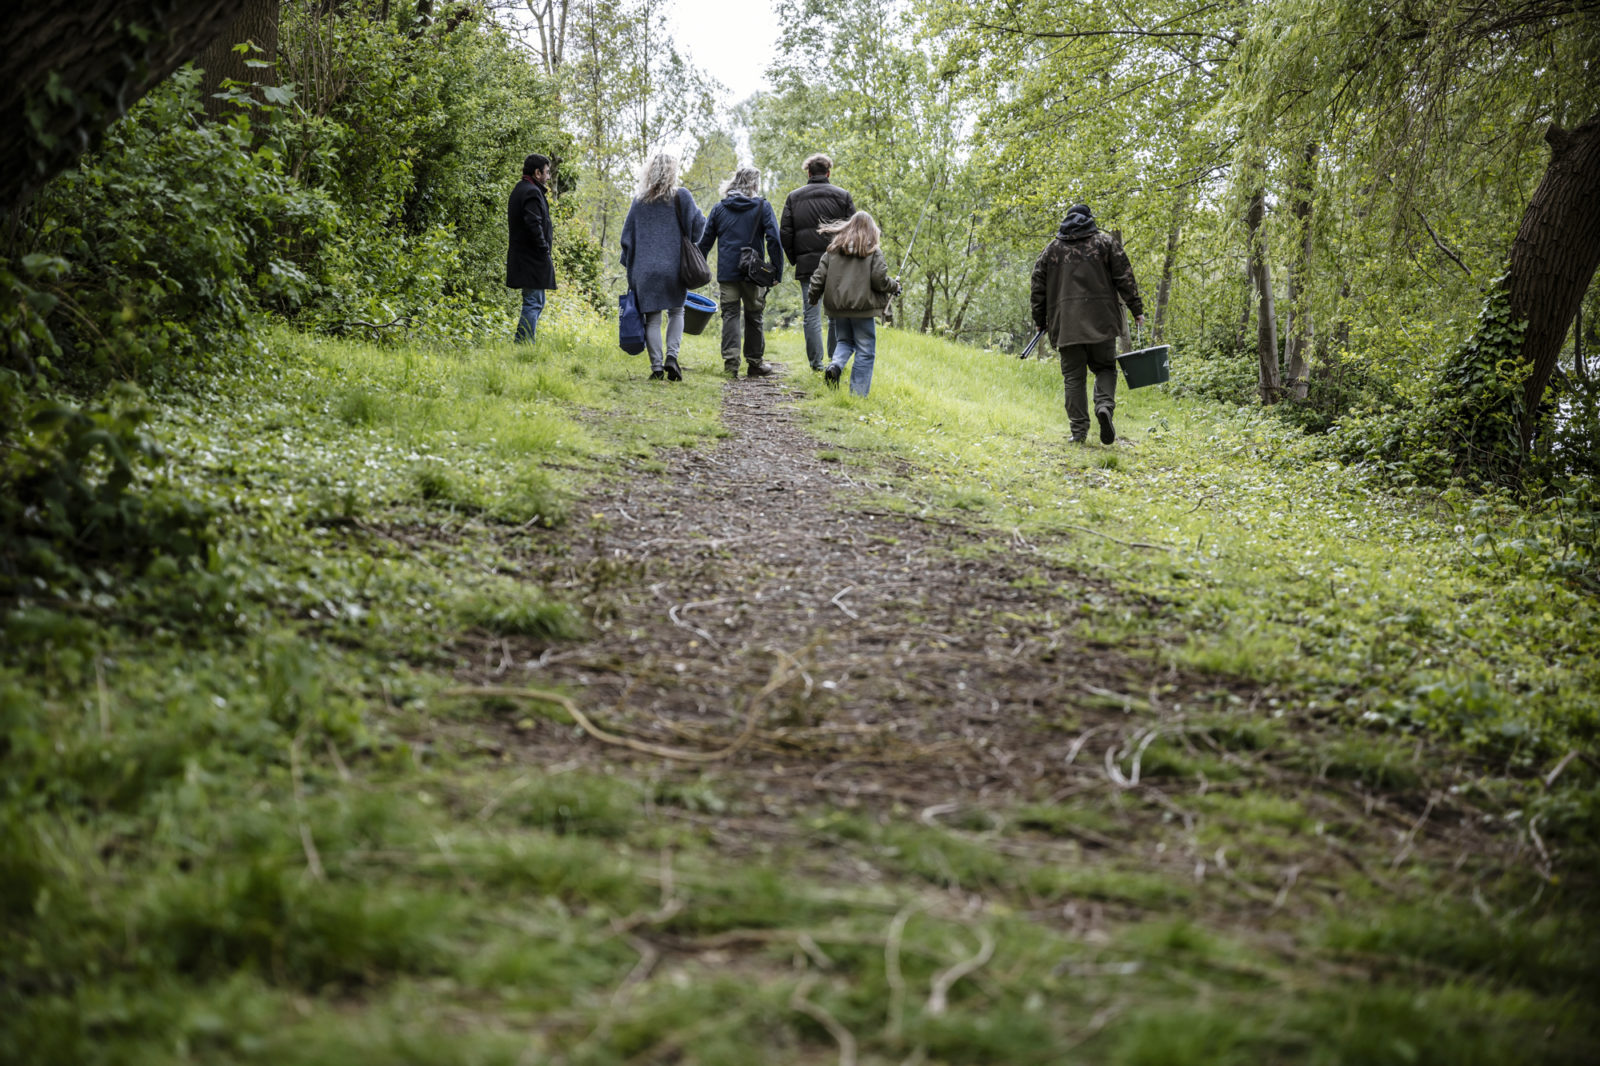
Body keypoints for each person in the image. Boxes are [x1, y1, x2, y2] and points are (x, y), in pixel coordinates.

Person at [1029, 202, 1144, 444]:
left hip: (1066, 324)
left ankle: (1078, 432)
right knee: (1105, 368)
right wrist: (1137, 309)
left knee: (1073, 377)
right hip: (1102, 321)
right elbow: (1125, 276)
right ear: (1089, 218)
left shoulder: (1052, 250)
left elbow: (1037, 284)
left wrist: (1040, 320)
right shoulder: (1105, 243)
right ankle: (1104, 406)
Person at [621, 153, 706, 381]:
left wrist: (631, 271)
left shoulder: (639, 201)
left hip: (644, 270)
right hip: (673, 268)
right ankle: (672, 357)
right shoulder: (682, 196)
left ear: (650, 172)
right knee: (677, 311)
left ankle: (657, 368)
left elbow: (626, 240)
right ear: (672, 172)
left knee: (653, 318)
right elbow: (698, 229)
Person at [697, 166, 782, 378]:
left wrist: (696, 267)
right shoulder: (762, 206)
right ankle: (755, 363)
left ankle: (731, 366)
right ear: (753, 185)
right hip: (753, 273)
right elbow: (774, 239)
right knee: (754, 316)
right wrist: (776, 271)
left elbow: (705, 242)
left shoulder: (719, 209)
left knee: (730, 316)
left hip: (727, 273)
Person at [807, 211, 898, 397]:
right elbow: (879, 279)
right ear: (872, 230)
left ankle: (835, 365)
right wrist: (895, 286)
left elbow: (818, 277)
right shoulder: (872, 251)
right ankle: (857, 395)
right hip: (862, 308)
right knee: (865, 350)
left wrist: (813, 297)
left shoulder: (833, 250)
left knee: (844, 341)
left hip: (838, 308)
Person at [780, 153, 855, 372]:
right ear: (828, 173)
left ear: (809, 173)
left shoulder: (794, 197)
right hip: (837, 264)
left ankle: (816, 364)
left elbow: (785, 232)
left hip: (808, 266)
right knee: (835, 315)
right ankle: (834, 361)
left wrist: (795, 258)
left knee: (811, 314)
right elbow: (854, 231)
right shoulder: (843, 196)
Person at [507, 153, 556, 346]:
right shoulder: (530, 192)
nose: (549, 176)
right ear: (537, 173)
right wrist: (544, 249)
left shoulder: (522, 189)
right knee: (533, 302)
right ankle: (524, 345)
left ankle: (524, 343)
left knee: (537, 302)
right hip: (531, 259)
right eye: (546, 172)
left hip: (528, 258)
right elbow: (533, 224)